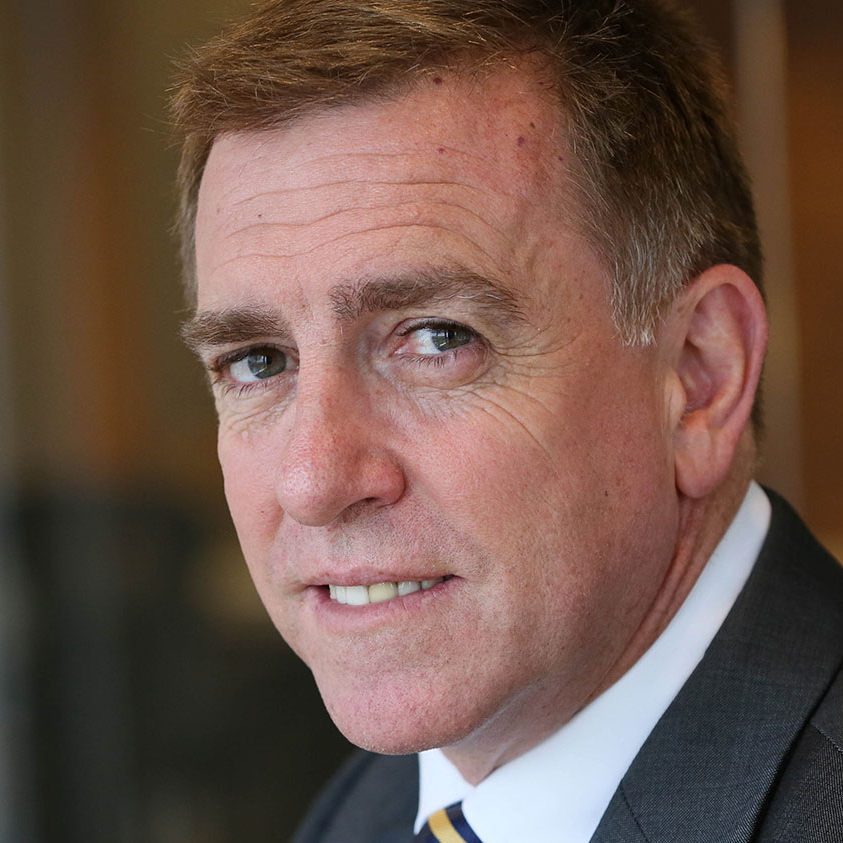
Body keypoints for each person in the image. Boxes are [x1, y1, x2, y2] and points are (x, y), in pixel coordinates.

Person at [172, 0, 843, 840]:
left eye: (437, 338)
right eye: (258, 361)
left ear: (699, 375)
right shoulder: (367, 811)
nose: (312, 482)